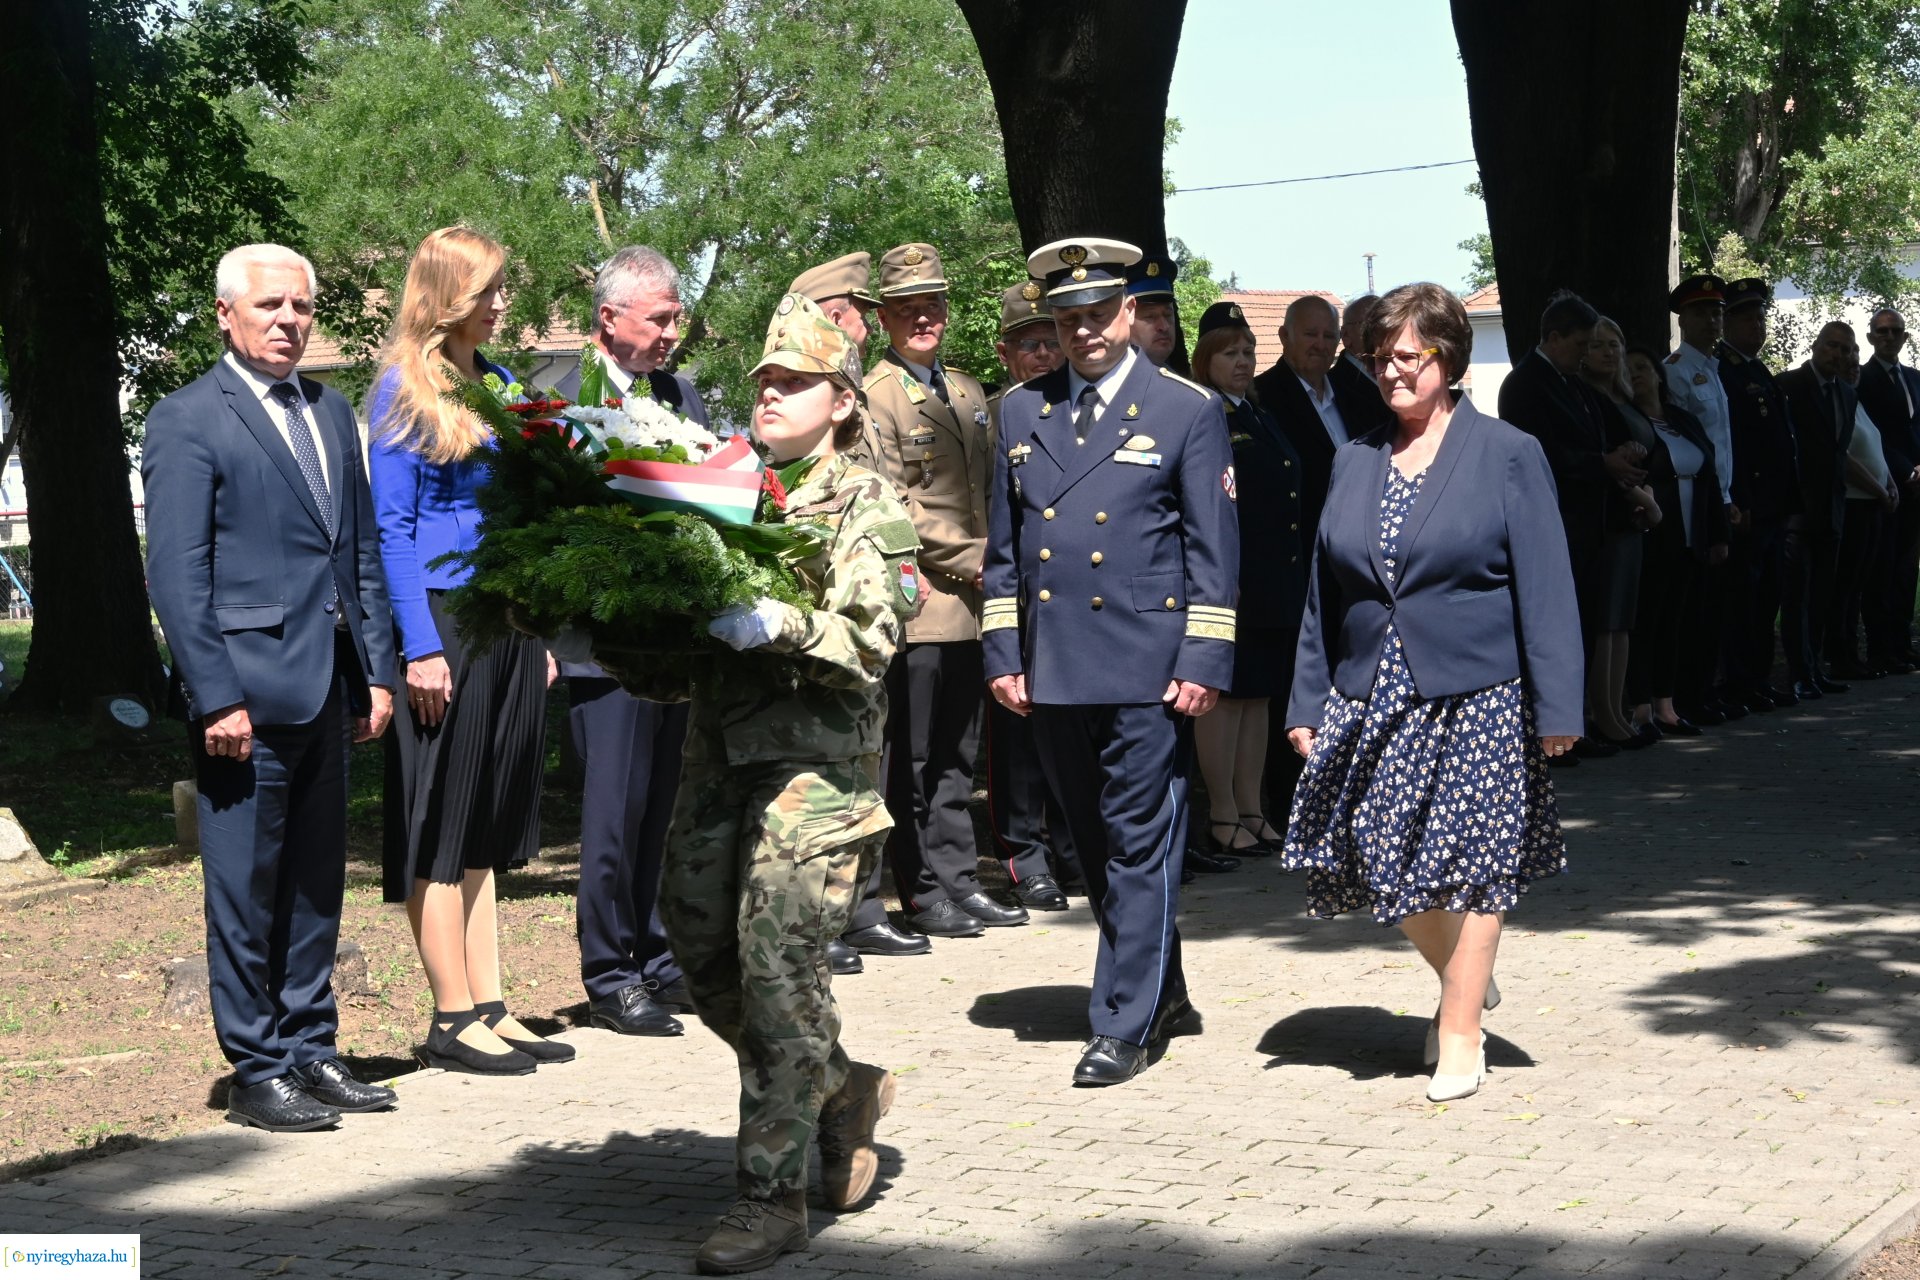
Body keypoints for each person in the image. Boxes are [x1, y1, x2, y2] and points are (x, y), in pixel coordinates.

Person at [629, 292, 916, 1273]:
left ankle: (769, 1198)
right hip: (719, 768)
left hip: (817, 781)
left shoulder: (865, 502)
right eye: (762, 382)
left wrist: (786, 621)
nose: (771, 396)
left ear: (838, 399)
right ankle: (841, 1085)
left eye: (793, 383)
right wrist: (626, 631)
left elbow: (873, 641)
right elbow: (675, 669)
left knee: (778, 975)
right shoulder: (721, 493)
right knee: (704, 958)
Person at [1285, 282, 1581, 1103]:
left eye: (1406, 358)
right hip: (1371, 692)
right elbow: (1323, 591)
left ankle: (1459, 1030)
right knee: (1382, 859)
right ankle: (1465, 973)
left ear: (1447, 359)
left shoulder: (1507, 452)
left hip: (1480, 693)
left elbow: (1547, 585)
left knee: (1477, 864)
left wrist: (1558, 708)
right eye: (1378, 360)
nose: (1390, 374)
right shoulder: (1355, 456)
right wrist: (1305, 700)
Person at [144, 243, 399, 1131]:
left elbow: (358, 552)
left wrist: (376, 672)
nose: (289, 321)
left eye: (301, 306)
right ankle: (257, 1068)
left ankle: (312, 1048)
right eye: (270, 307)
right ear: (226, 314)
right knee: (246, 888)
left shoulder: (330, 413)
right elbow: (178, 575)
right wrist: (214, 695)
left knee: (315, 882)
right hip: (242, 702)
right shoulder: (186, 420)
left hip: (330, 688)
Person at [983, 236, 1239, 1087]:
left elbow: (1213, 550)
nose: (1085, 332)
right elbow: (1005, 552)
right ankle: (1162, 988)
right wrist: (1001, 652)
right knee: (1091, 842)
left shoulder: (1185, 410)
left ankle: (1122, 1022)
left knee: (1139, 842)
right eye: (1068, 319)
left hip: (1146, 665)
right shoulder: (1022, 412)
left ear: (1131, 314)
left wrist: (1204, 656)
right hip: (1053, 665)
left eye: (1099, 315)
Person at [369, 226, 565, 1076]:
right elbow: (394, 531)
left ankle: (489, 1001)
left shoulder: (504, 383)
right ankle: (449, 1016)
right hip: (443, 624)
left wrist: (537, 630)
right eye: (486, 292)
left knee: (487, 819)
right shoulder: (402, 393)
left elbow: (522, 517)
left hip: (505, 623)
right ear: (445, 295)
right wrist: (418, 648)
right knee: (441, 820)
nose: (499, 306)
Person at [549, 246, 702, 1037]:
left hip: (675, 645)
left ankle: (660, 957)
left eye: (677, 317)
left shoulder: (682, 395)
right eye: (662, 318)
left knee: (665, 814)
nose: (676, 332)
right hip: (602, 648)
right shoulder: (557, 400)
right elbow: (542, 530)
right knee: (614, 816)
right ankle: (610, 974)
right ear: (610, 320)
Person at [862, 242, 1026, 937]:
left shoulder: (963, 391)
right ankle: (924, 891)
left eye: (932, 303)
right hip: (925, 599)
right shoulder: (877, 396)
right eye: (906, 308)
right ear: (884, 320)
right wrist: (976, 557)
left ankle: (959, 880)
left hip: (977, 598)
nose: (922, 316)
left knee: (961, 752)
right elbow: (893, 502)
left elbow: (988, 489)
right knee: (917, 756)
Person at [787, 251, 929, 972]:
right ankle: (838, 915)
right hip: (819, 634)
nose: (868, 327)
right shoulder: (813, 392)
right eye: (856, 313)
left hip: (868, 606)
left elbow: (888, 493)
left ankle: (861, 907)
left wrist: (903, 574)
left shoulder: (858, 393)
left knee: (874, 765)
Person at [1188, 300, 1306, 861]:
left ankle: (1253, 809)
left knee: (1258, 699)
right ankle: (1224, 814)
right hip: (1234, 580)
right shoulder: (1208, 414)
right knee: (1227, 700)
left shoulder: (1255, 412)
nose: (1242, 361)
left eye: (1248, 351)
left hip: (1271, 578)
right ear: (1204, 360)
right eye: (1229, 352)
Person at [1497, 288, 1634, 762]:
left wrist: (1623, 457)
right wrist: (1601, 463)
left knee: (1584, 628)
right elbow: (1539, 456)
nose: (1583, 355)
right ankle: (1543, 734)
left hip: (1586, 526)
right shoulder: (1525, 385)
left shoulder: (1574, 384)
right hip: (1551, 527)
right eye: (1579, 345)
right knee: (1551, 632)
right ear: (1553, 338)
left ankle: (1574, 725)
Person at [984, 280, 1082, 911]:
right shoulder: (997, 413)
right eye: (1029, 344)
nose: (1043, 354)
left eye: (1051, 341)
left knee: (1071, 730)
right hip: (1012, 591)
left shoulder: (1082, 406)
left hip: (1071, 598)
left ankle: (1074, 850)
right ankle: (1026, 858)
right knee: (1018, 738)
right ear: (1005, 352)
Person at [1620, 345, 1728, 737]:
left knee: (1676, 623)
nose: (1635, 374)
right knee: (1646, 622)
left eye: (1641, 366)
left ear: (1657, 375)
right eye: (1626, 369)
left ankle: (1668, 706)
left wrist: (1718, 533)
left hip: (1690, 536)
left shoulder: (1683, 420)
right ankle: (1641, 708)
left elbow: (1710, 474)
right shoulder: (1627, 423)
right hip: (1653, 537)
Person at [1712, 278, 1804, 718]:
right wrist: (1742, 499)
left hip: (1773, 505)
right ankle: (1739, 681)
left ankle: (1759, 679)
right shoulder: (1724, 370)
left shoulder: (1756, 369)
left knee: (1767, 598)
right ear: (1726, 322)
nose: (1757, 325)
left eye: (1760, 317)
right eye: (1747, 317)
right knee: (1743, 601)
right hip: (1751, 504)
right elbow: (1736, 444)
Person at [1576, 318, 1662, 748]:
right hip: (1612, 516)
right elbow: (1608, 462)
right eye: (1597, 345)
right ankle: (1602, 714)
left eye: (1615, 344)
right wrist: (1646, 502)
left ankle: (1618, 710)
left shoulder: (1625, 397)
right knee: (1605, 621)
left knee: (1622, 622)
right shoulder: (1588, 399)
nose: (1609, 353)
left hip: (1634, 518)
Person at [1776, 322, 1859, 701]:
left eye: (1845, 349)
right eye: (1831, 346)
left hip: (1832, 508)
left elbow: (1839, 453)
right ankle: (1798, 672)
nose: (1837, 354)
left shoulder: (1847, 393)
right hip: (1796, 509)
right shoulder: (1788, 386)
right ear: (1816, 346)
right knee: (1796, 594)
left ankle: (1815, 668)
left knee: (1823, 593)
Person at [1854, 309, 1920, 673]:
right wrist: (1906, 470)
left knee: (1906, 569)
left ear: (1905, 337)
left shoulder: (1915, 378)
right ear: (1870, 338)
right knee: (1881, 570)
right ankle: (1881, 648)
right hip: (1885, 485)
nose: (1888, 337)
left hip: (1915, 489)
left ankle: (1901, 642)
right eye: (1881, 332)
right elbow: (1874, 434)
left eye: (1895, 331)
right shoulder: (1860, 379)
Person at [1833, 336, 1901, 676]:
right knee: (1845, 584)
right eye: (1846, 356)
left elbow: (1874, 448)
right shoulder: (1836, 402)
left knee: (1860, 583)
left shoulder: (1855, 401)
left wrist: (1888, 484)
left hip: (1872, 503)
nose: (1853, 363)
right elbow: (1842, 457)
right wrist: (1879, 489)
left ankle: (1853, 653)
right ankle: (1842, 656)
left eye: (1856, 354)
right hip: (1854, 503)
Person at [1329, 292, 1393, 437]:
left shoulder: (1403, 372)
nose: (1384, 331)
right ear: (1346, 336)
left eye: (1388, 322)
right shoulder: (1331, 388)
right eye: (1372, 324)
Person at [1127, 255, 1180, 368]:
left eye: (1168, 314)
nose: (1164, 326)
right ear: (1126, 316)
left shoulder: (1179, 384)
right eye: (1150, 316)